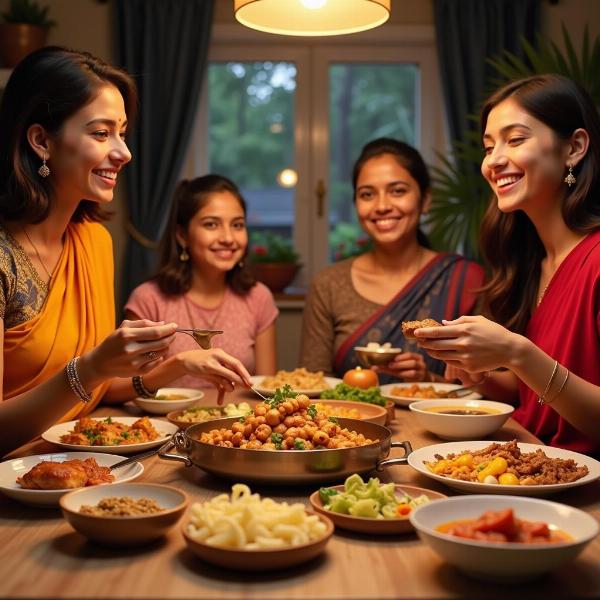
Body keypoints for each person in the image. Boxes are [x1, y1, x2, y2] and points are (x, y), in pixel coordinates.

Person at [0, 47, 249, 456]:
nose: (124, 152)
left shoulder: (95, 241)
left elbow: (91, 390)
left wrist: (180, 365)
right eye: (101, 134)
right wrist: (93, 366)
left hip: (88, 459)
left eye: (122, 132)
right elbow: (84, 376)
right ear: (42, 140)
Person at [414, 74, 600, 455]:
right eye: (488, 146)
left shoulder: (595, 261)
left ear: (574, 148)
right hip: (530, 461)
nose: (494, 161)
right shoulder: (530, 260)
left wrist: (516, 353)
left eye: (515, 140)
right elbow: (541, 396)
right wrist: (484, 377)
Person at [300, 138, 484, 381]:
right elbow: (312, 383)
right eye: (367, 194)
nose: (382, 206)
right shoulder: (329, 284)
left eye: (397, 191)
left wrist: (428, 379)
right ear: (356, 204)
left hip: (442, 419)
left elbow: (497, 388)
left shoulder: (464, 278)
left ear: (425, 200)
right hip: (350, 418)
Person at [125, 174, 278, 389]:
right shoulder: (148, 299)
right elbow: (117, 390)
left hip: (239, 420)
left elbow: (267, 388)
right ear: (182, 235)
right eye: (211, 224)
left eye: (237, 225)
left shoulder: (258, 297)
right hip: (165, 422)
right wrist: (178, 366)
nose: (228, 238)